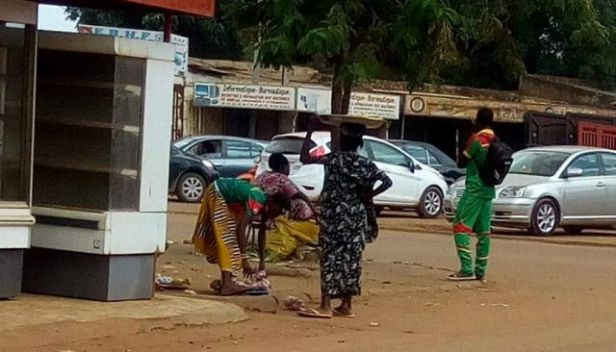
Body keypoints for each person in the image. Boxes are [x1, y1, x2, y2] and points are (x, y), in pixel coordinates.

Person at [297, 119, 392, 319]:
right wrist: (369, 196)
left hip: (334, 215)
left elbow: (305, 156)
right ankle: (346, 304)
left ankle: (325, 305)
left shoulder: (333, 159)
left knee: (330, 257)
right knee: (352, 259)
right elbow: (387, 181)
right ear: (360, 144)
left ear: (341, 141)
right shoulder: (365, 163)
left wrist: (312, 129)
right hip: (356, 216)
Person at [192, 177, 284, 296]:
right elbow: (241, 228)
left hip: (225, 198)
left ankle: (228, 281)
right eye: (278, 210)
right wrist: (245, 259)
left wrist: (262, 262)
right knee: (228, 240)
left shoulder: (265, 206)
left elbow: (262, 232)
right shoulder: (257, 200)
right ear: (272, 203)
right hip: (218, 192)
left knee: (232, 242)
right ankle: (227, 285)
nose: (276, 214)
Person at [448, 108, 497, 283]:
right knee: (484, 232)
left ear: (478, 120)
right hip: (488, 191)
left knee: (460, 226)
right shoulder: (495, 140)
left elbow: (462, 160)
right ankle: (480, 270)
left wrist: (466, 135)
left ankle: (467, 268)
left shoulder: (477, 140)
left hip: (474, 189)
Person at [255, 153, 320, 260]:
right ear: (282, 166)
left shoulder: (262, 175)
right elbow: (298, 194)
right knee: (299, 204)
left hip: (257, 211)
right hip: (272, 211)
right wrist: (313, 209)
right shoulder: (282, 178)